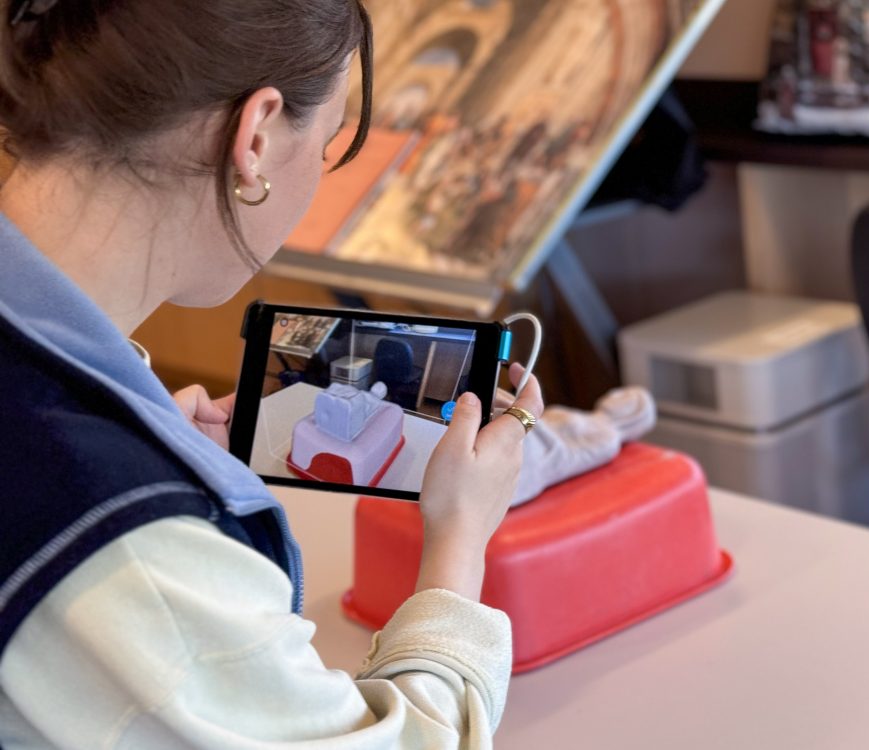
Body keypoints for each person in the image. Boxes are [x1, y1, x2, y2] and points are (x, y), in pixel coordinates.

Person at [0, 1, 545, 747]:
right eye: (326, 143)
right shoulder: (134, 544)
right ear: (254, 137)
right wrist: (460, 538)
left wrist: (136, 433)